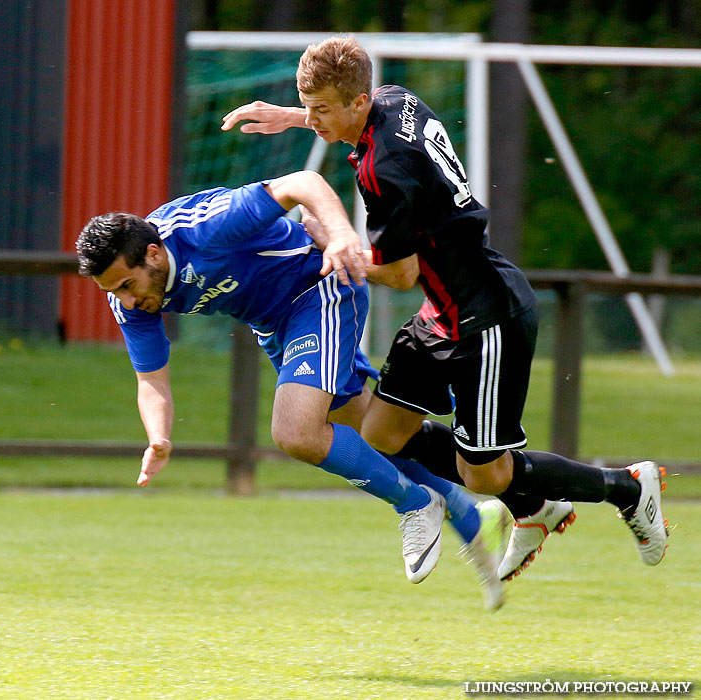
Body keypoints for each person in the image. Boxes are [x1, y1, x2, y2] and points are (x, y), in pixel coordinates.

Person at [221, 35, 668, 581]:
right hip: (443, 314)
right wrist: (290, 116)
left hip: (486, 316)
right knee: (381, 433)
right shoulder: (392, 99)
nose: (314, 120)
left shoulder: (384, 171)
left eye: (320, 111)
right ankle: (531, 508)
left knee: (483, 475)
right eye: (307, 106)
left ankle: (627, 487)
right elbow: (350, 109)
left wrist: (336, 247)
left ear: (357, 104)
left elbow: (400, 273)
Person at [76, 169, 509, 610]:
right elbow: (151, 381)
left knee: (296, 430)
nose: (125, 301)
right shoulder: (128, 299)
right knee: (370, 431)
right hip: (277, 327)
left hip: (320, 286)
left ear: (153, 254)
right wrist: (159, 437)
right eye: (113, 291)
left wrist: (340, 235)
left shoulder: (207, 226)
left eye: (127, 285)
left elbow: (303, 182)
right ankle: (475, 515)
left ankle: (416, 504)